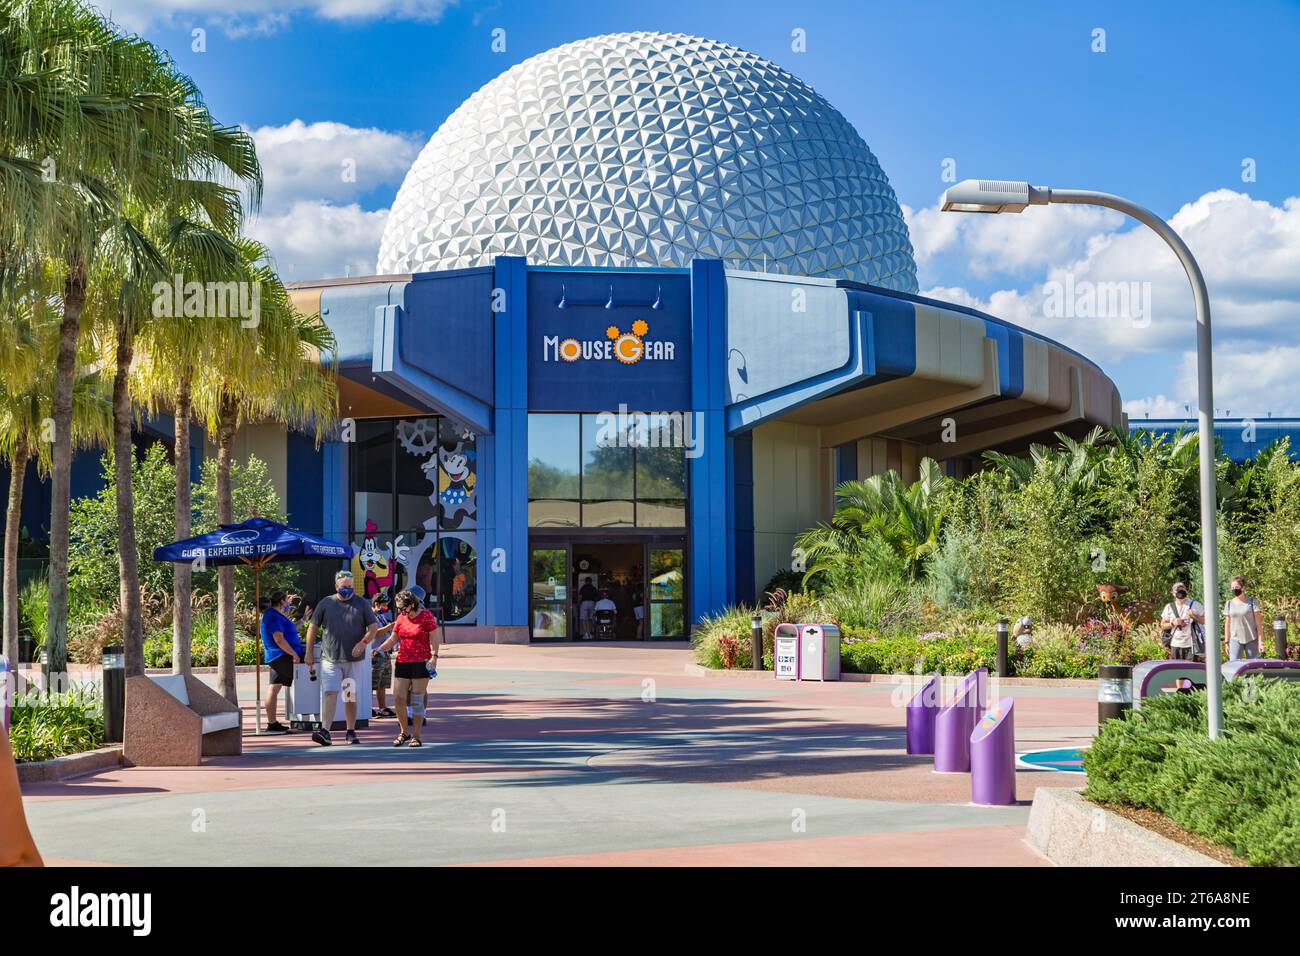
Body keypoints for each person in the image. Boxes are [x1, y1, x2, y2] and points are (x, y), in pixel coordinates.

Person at [305, 570, 378, 746]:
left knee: (349, 695)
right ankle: (325, 730)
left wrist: (363, 643)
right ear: (337, 586)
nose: (348, 590)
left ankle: (350, 731)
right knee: (330, 693)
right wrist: (308, 653)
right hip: (330, 658)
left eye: (350, 587)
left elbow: (373, 628)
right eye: (344, 587)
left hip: (353, 661)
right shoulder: (326, 603)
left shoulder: (361, 603)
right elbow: (312, 628)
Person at [377, 589, 440, 747]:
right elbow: (393, 638)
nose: (400, 611)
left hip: (420, 662)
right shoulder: (401, 617)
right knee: (398, 698)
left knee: (417, 700)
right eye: (398, 608)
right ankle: (404, 731)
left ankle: (416, 735)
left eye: (403, 607)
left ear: (412, 604)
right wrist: (378, 650)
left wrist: (435, 656)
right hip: (403, 661)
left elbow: (434, 637)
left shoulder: (426, 616)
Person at [260, 590, 304, 733]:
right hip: (282, 656)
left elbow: (287, 631)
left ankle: (272, 723)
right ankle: (305, 714)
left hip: (277, 656)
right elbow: (279, 639)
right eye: (287, 601)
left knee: (274, 687)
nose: (288, 603)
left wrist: (302, 621)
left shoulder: (276, 616)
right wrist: (293, 654)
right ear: (281, 601)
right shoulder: (273, 616)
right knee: (277, 687)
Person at [1159, 581, 1205, 662]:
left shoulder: (1195, 605)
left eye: (1182, 590)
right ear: (1173, 593)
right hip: (1175, 645)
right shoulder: (1169, 607)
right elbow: (1162, 625)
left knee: (1190, 671)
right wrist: (1173, 623)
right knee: (1176, 671)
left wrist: (1193, 616)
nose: (1181, 592)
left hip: (1191, 645)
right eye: (1178, 591)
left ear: (1186, 591)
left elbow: (1205, 621)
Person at [1223, 574, 1264, 661]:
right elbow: (1227, 624)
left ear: (1243, 587)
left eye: (1236, 587)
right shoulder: (1229, 603)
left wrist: (1261, 642)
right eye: (1232, 587)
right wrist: (1226, 642)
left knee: (1253, 667)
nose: (1234, 589)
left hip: (1251, 639)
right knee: (1234, 667)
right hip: (1235, 640)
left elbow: (1259, 624)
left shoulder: (1252, 602)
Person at [370, 592, 397, 719]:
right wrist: (390, 626)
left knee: (382, 683)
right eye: (384, 605)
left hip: (384, 653)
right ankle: (367, 707)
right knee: (371, 683)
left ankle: (382, 708)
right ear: (376, 604)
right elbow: (375, 633)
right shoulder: (370, 616)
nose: (386, 607)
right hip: (374, 653)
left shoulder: (381, 616)